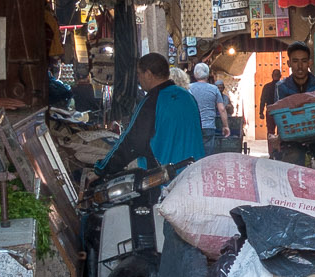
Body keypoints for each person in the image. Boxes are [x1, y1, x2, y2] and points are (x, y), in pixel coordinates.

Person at [93, 53, 203, 184]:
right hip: (195, 176)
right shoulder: (187, 97)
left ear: (148, 74)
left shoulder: (152, 101)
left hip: (166, 182)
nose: (138, 79)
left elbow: (132, 142)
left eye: (139, 74)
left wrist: (102, 169)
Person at [261, 40, 315, 168]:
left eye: (304, 61)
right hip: (293, 140)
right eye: (295, 61)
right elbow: (281, 112)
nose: (300, 66)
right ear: (289, 63)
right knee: (293, 158)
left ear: (309, 63)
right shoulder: (281, 87)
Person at [188, 61, 235, 152]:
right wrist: (226, 126)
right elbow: (222, 109)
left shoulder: (188, 88)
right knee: (207, 156)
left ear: (194, 74)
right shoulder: (214, 89)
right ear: (207, 74)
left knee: (193, 154)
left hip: (193, 126)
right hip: (208, 127)